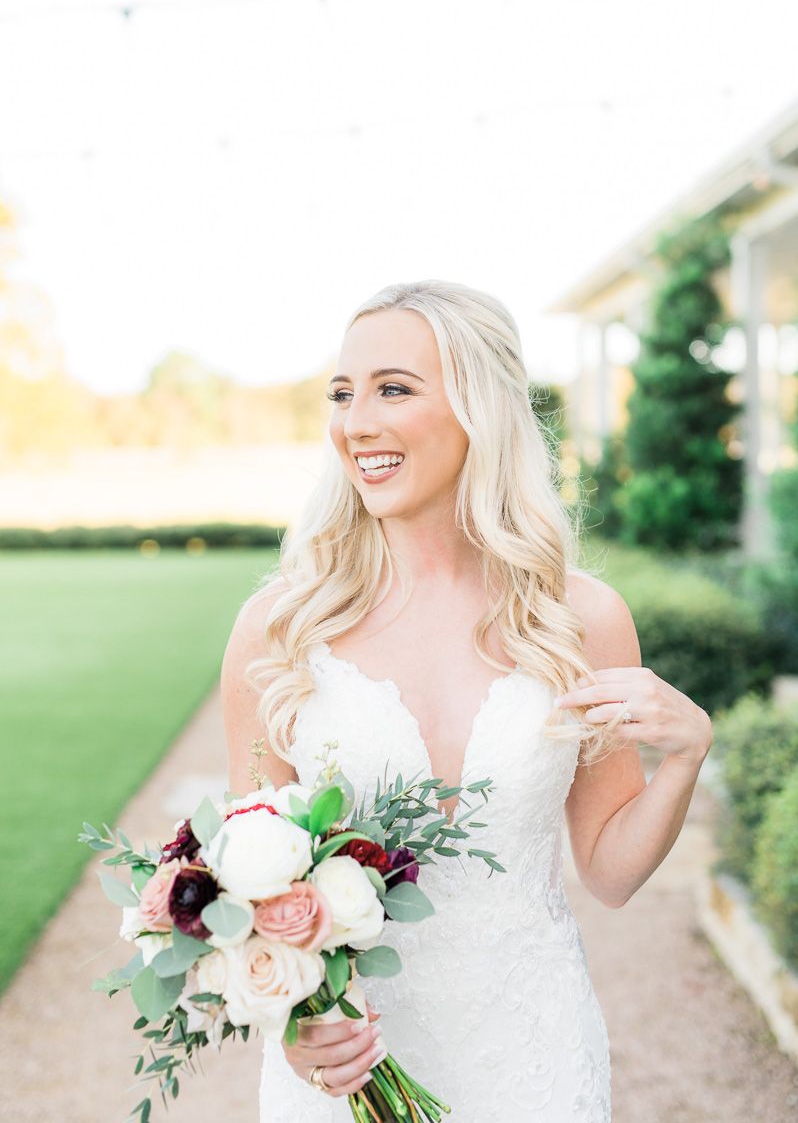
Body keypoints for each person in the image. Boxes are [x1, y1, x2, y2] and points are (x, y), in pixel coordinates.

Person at [221, 279, 713, 1121]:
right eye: (343, 393)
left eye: (394, 389)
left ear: (479, 410)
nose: (355, 421)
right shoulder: (281, 628)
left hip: (532, 1051)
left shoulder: (579, 619)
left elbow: (610, 870)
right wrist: (294, 1024)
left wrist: (686, 757)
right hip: (351, 1071)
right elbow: (245, 889)